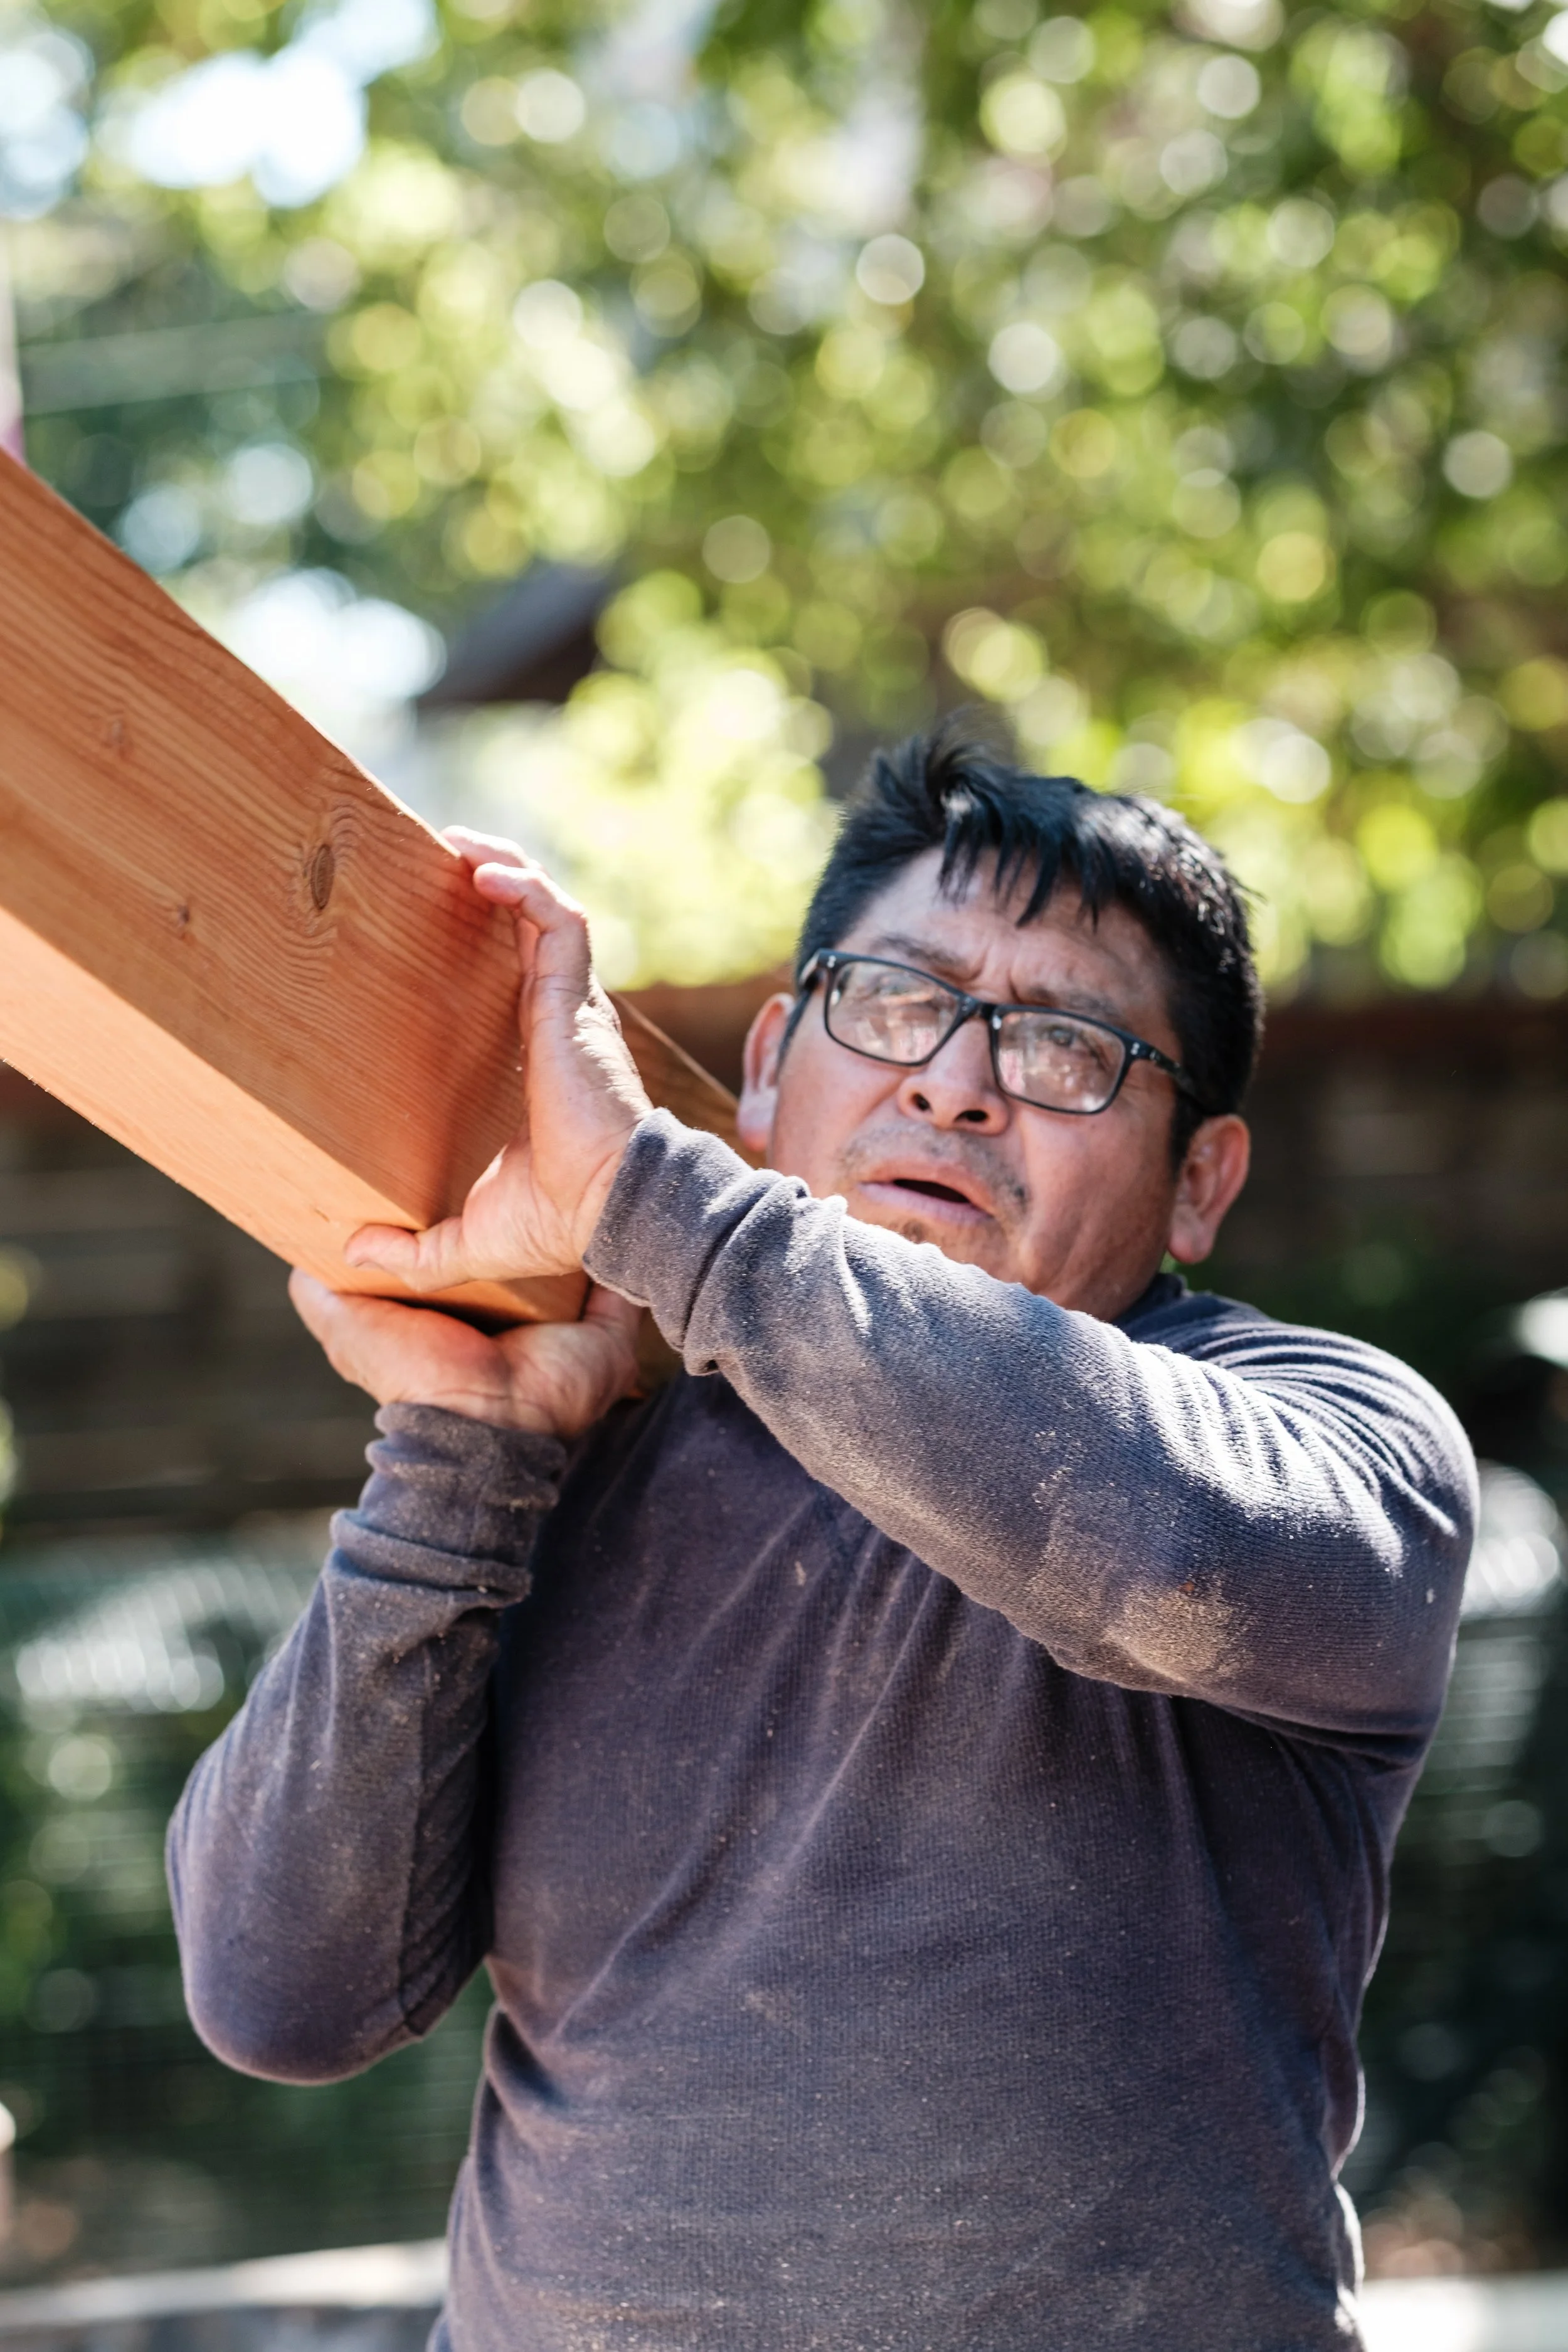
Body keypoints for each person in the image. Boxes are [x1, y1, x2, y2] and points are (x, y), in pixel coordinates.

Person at [168, 731, 1476, 2352]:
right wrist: (460, 1450)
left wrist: (658, 1197)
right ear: (776, 1055)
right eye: (892, 1000)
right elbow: (277, 1989)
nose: (951, 1079)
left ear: (1197, 1179)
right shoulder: (583, 1462)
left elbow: (1165, 1557)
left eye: (1064, 1046)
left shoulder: (1322, 1431)